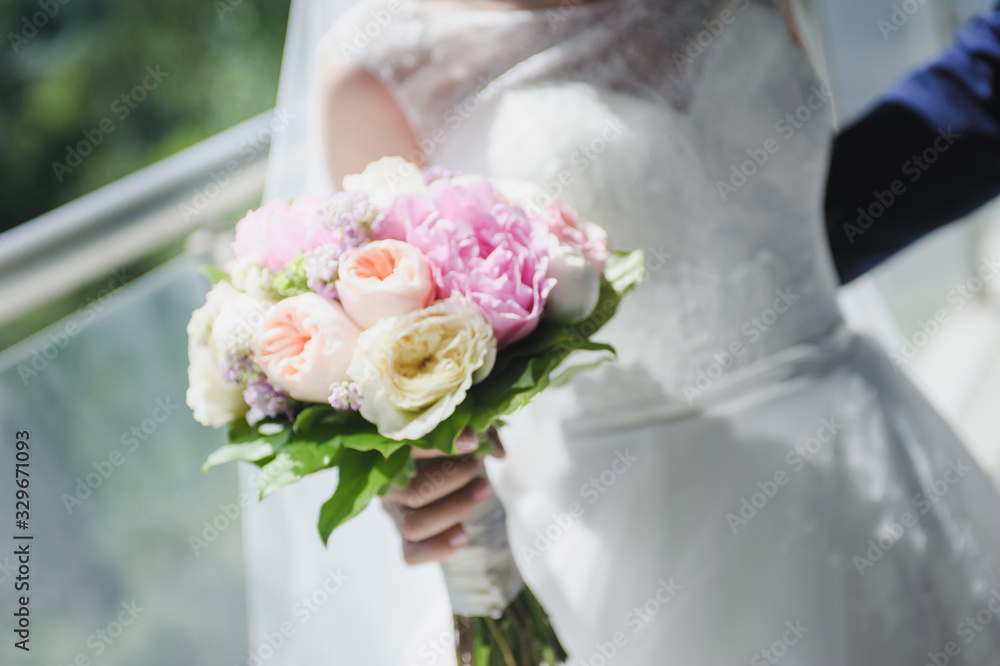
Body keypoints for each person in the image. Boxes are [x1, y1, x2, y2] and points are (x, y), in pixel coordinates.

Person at [243, 0, 1000, 663]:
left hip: (872, 441)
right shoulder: (382, 61)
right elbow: (390, 357)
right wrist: (417, 471)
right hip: (640, 532)